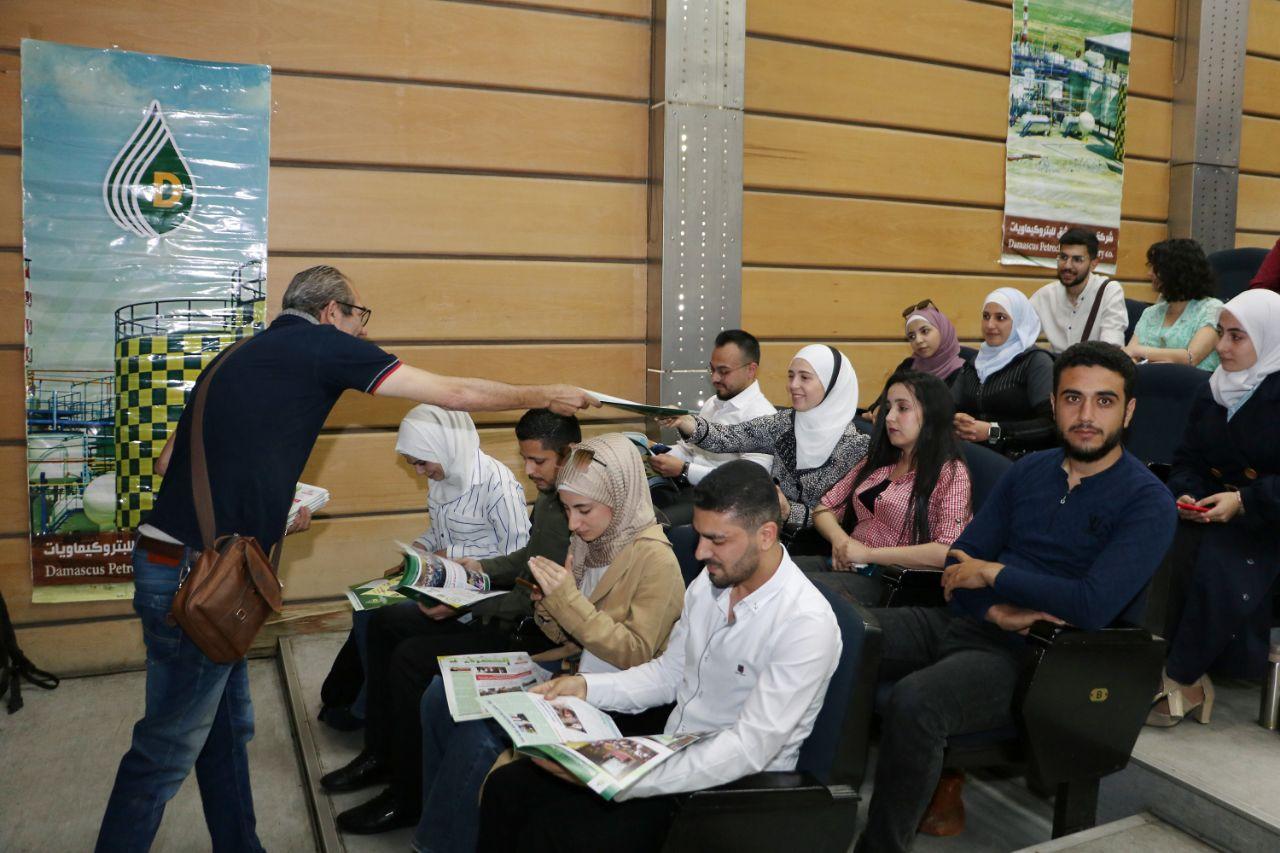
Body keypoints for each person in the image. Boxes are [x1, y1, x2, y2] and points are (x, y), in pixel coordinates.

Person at [96, 265, 596, 853]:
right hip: (199, 576)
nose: (362, 331)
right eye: (359, 316)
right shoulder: (321, 345)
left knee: (225, 731)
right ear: (331, 311)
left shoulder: (235, 356)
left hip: (165, 558)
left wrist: (272, 505)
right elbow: (453, 394)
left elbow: (167, 464)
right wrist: (544, 395)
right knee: (166, 749)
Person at [855, 342, 1176, 853]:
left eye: (1104, 401)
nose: (1086, 415)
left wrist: (995, 574)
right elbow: (960, 560)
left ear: (1129, 411)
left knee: (917, 700)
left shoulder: (1148, 501)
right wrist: (994, 606)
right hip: (969, 619)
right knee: (842, 635)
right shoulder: (1029, 471)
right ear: (1053, 405)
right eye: (1072, 398)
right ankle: (810, 806)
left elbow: (1090, 603)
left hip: (1037, 658)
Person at [473, 460, 842, 853]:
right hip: (669, 754)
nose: (700, 552)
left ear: (766, 535)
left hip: (727, 795)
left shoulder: (805, 624)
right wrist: (584, 687)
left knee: (554, 832)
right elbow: (669, 675)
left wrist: (623, 778)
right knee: (507, 787)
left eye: (716, 540)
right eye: (699, 535)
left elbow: (748, 749)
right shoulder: (711, 584)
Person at [341, 432, 686, 838]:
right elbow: (561, 631)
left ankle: (442, 837)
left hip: (608, 692)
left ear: (621, 496)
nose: (573, 523)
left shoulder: (655, 559)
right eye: (567, 509)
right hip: (569, 666)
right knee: (439, 693)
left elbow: (635, 653)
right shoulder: (592, 541)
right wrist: (548, 604)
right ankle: (422, 802)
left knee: (481, 733)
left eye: (583, 510)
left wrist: (566, 602)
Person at [316, 409, 578, 823]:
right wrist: (472, 567)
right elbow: (526, 560)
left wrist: (466, 596)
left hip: (521, 627)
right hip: (494, 602)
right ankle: (381, 751)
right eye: (525, 459)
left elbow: (535, 596)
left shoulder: (558, 502)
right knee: (383, 622)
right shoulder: (551, 498)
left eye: (537, 461)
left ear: (568, 455)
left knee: (409, 659)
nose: (528, 471)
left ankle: (407, 795)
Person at [1150, 289, 1280, 726]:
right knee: (1157, 538)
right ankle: (1153, 662)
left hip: (1269, 518)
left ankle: (1184, 676)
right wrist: (1187, 495)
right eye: (1221, 333)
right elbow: (1187, 460)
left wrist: (1243, 502)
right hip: (1213, 508)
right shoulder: (1214, 389)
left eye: (1236, 336)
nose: (1222, 346)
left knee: (1219, 554)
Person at [661, 344, 869, 552]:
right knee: (688, 538)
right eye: (790, 376)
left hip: (817, 549)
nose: (793, 385)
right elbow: (729, 437)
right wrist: (686, 422)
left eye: (805, 378)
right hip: (768, 533)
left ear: (832, 385)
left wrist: (789, 511)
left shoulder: (855, 446)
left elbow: (843, 518)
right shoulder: (785, 423)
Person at [813, 371, 971, 605]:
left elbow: (947, 550)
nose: (889, 417)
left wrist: (868, 554)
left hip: (890, 581)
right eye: (888, 408)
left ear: (931, 414)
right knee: (774, 575)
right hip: (846, 563)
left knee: (799, 595)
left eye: (903, 408)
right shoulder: (879, 460)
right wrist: (842, 542)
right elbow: (824, 508)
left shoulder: (951, 473)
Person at [647, 329, 775, 525]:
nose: (714, 378)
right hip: (690, 491)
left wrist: (684, 470)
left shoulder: (763, 417)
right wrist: (656, 454)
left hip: (727, 506)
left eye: (723, 371)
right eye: (712, 369)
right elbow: (689, 450)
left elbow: (747, 482)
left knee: (651, 523)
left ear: (751, 370)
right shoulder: (713, 403)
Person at [399, 404, 530, 558]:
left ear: (444, 447)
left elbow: (517, 553)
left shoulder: (499, 486)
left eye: (422, 463)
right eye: (413, 464)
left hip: (488, 574)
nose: (419, 472)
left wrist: (451, 554)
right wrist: (420, 547)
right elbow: (445, 529)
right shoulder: (441, 475)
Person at [952, 287, 1056, 456]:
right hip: (974, 456)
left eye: (1000, 318)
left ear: (1019, 322)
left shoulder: (1035, 362)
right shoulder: (975, 363)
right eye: (986, 316)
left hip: (1020, 461)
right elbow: (949, 407)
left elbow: (1050, 425)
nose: (990, 325)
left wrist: (992, 431)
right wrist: (955, 421)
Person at [1125, 238, 1223, 371]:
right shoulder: (1151, 312)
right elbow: (1130, 355)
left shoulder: (1212, 309)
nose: (1149, 274)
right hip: (1148, 379)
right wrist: (1134, 357)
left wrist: (1139, 351)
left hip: (1192, 382)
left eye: (1156, 268)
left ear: (1175, 271)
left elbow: (1191, 357)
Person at [865, 301, 969, 421]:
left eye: (925, 331)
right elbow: (881, 401)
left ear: (943, 330)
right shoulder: (908, 366)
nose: (918, 340)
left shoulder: (964, 371)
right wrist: (877, 410)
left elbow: (945, 415)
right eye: (912, 336)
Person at [1029, 227, 1128, 354]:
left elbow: (1111, 347)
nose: (1067, 265)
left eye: (1077, 260)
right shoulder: (1046, 295)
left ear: (1093, 264)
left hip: (1095, 362)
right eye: (1063, 257)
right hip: (1057, 364)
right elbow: (1021, 334)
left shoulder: (1108, 291)